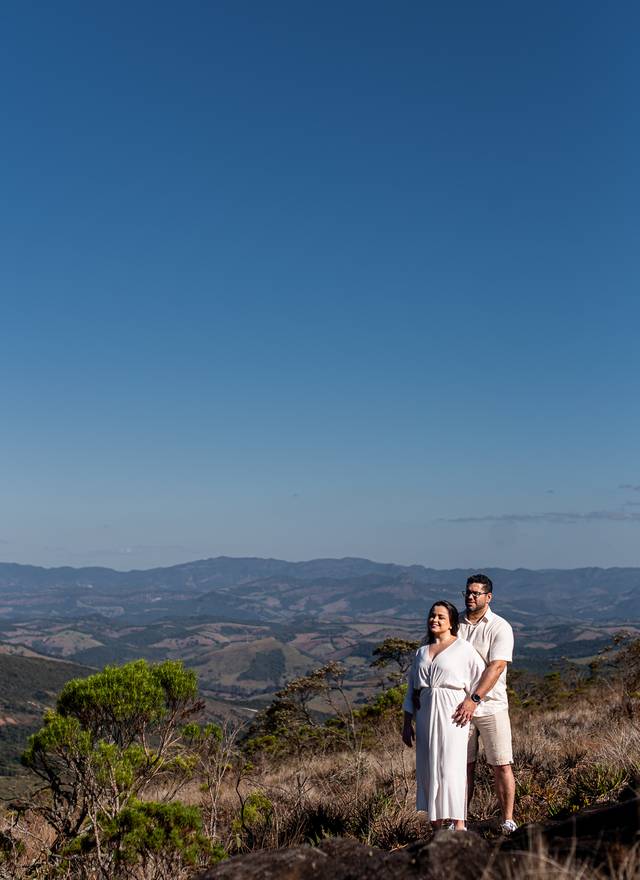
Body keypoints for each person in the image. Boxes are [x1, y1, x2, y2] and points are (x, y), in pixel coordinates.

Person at [402, 600, 485, 830]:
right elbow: (411, 689)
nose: (435, 620)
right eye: (432, 615)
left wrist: (472, 702)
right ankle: (436, 827)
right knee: (428, 767)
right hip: (425, 713)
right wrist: (407, 722)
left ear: (451, 623)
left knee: (451, 767)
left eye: (440, 617)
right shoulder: (420, 653)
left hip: (452, 715)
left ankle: (459, 823)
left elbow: (480, 680)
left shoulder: (463, 649)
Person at [452, 574, 517, 834]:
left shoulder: (500, 627)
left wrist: (474, 699)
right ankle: (459, 822)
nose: (470, 596)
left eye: (476, 593)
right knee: (463, 767)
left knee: (501, 764)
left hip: (491, 706)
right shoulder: (454, 623)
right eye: (468, 592)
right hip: (458, 708)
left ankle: (508, 820)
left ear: (488, 597)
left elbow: (497, 665)